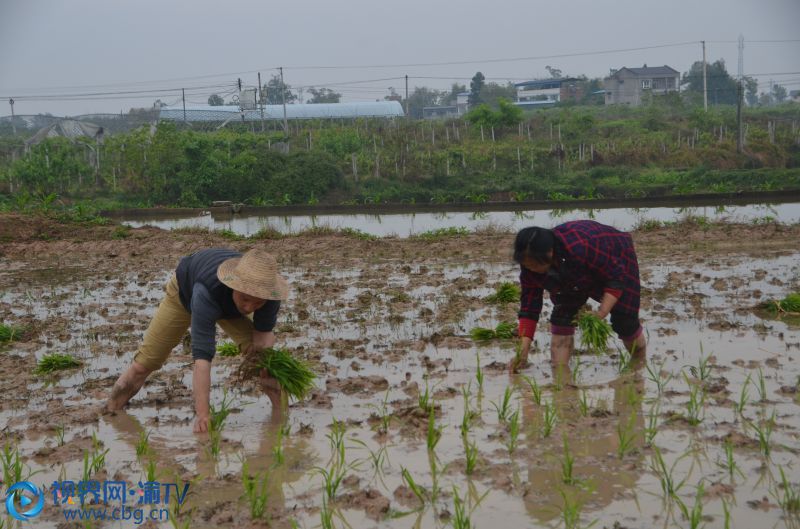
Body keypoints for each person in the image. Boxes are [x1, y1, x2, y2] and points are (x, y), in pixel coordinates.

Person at [105, 248, 289, 433]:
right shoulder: (206, 292)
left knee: (263, 358)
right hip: (184, 295)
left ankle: (281, 414)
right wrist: (203, 415)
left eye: (257, 304)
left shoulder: (269, 294)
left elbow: (262, 338)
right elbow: (202, 359)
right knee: (144, 365)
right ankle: (111, 409)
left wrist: (262, 351)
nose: (249, 308)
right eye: (246, 299)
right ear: (234, 285)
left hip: (227, 305)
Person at [509, 220, 646, 372]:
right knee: (563, 315)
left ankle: (638, 364)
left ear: (550, 252)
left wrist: (601, 312)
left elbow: (615, 278)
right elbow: (529, 306)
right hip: (570, 271)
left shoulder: (581, 247)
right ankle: (560, 373)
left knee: (624, 319)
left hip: (615, 254)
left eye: (534, 265)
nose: (531, 270)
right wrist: (523, 350)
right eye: (527, 265)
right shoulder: (529, 263)